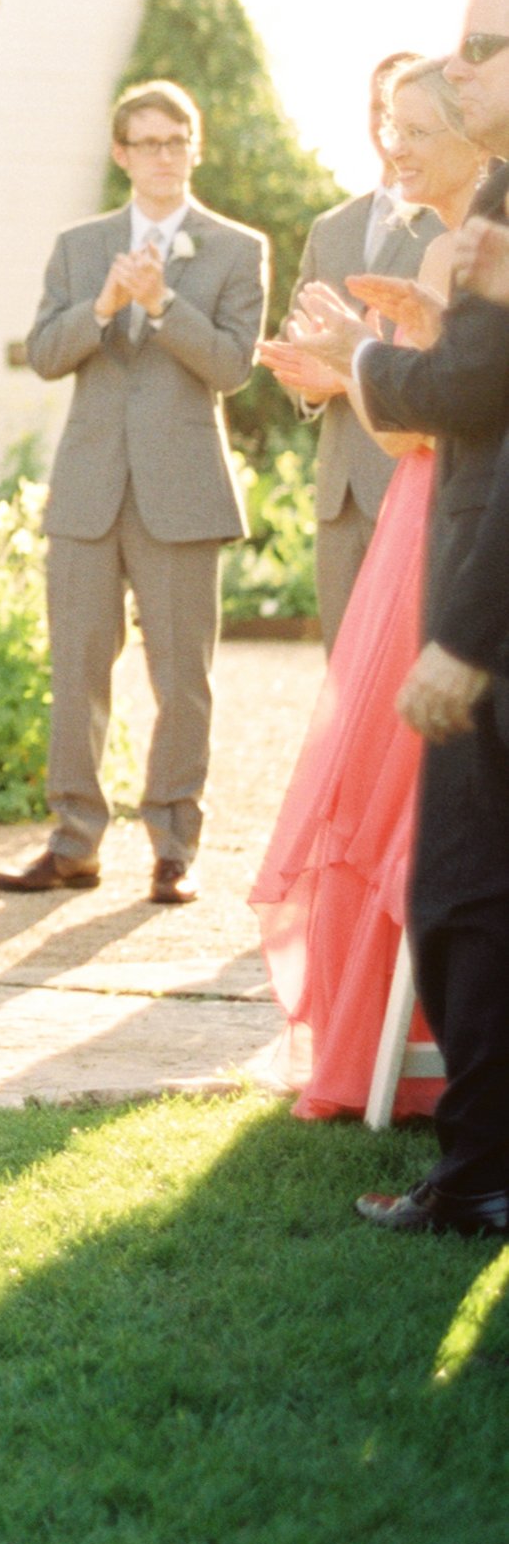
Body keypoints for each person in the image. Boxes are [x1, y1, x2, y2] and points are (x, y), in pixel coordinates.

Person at [282, 0, 509, 1239]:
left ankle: (478, 1175)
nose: (455, 67)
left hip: (491, 598)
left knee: (463, 894)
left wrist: (357, 363)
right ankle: (477, 1166)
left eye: (482, 48)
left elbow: (472, 395)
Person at [251, 60, 487, 1115]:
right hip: (415, 518)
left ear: (473, 138)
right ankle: (399, 1040)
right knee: (388, 785)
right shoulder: (445, 243)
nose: (393, 146)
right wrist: (341, 366)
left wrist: (358, 359)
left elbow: (429, 419)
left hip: (447, 526)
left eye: (414, 129)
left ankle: (426, 1047)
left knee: (414, 788)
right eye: (388, 127)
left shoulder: (470, 246)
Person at [0, 81, 267, 906]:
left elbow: (232, 367)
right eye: (144, 143)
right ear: (121, 154)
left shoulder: (234, 247)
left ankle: (174, 847)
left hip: (182, 490)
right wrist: (106, 304)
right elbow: (44, 352)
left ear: (195, 147)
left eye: (174, 141)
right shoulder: (81, 246)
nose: (161, 157)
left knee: (182, 677)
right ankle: (74, 841)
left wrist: (165, 303)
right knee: (75, 670)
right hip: (88, 488)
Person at [297, 53, 440, 644]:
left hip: (415, 478)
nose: (392, 133)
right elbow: (299, 337)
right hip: (340, 492)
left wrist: (359, 363)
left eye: (408, 122)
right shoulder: (330, 228)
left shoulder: (456, 226)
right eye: (382, 113)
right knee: (341, 667)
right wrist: (306, 378)